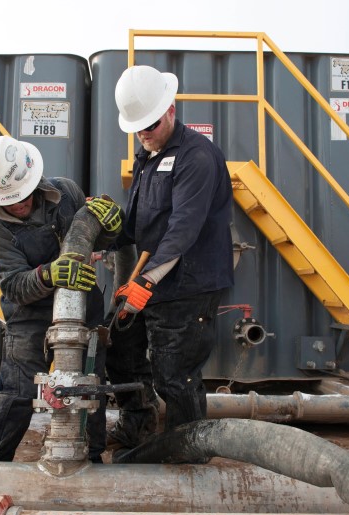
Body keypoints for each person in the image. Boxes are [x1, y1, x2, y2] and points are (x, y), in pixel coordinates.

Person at [0, 136, 121, 463]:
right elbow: (14, 286)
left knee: (88, 383)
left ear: (33, 181)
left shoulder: (66, 193)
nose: (18, 205)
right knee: (17, 391)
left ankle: (89, 458)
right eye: (9, 200)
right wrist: (50, 275)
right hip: (29, 315)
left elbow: (90, 236)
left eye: (21, 196)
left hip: (83, 306)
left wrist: (110, 229)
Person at [106, 65, 234, 451]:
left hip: (189, 285)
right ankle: (139, 425)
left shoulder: (197, 157)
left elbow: (183, 228)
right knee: (122, 350)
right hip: (155, 282)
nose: (144, 133)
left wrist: (146, 281)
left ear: (172, 110)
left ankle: (188, 448)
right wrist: (104, 243)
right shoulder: (147, 155)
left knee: (174, 373)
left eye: (151, 124)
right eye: (137, 127)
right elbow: (136, 222)